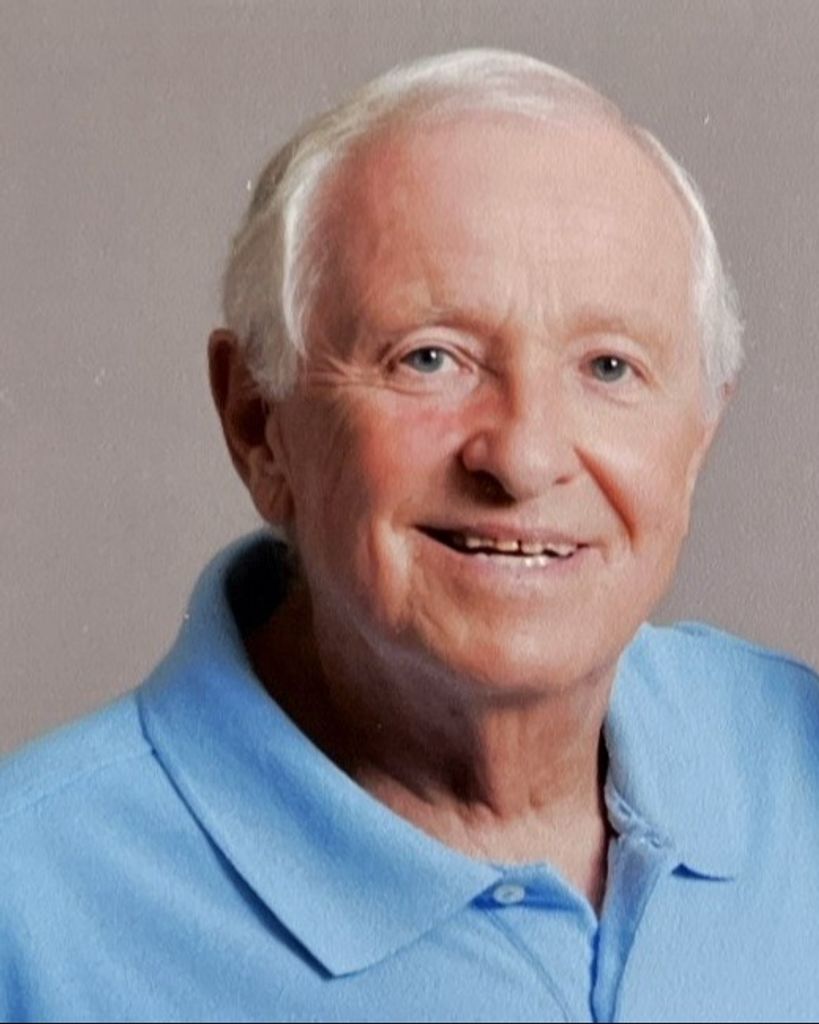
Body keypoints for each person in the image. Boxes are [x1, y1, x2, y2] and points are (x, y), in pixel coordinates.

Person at [3, 49, 819, 1023]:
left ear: (699, 432)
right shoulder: (30, 905)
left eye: (609, 367)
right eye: (429, 358)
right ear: (258, 423)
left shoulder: (796, 753)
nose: (522, 456)